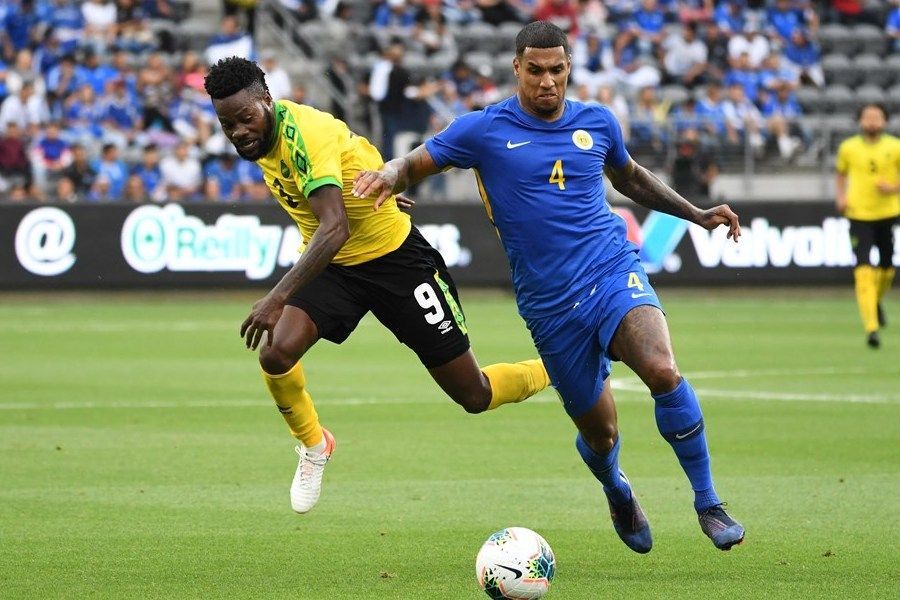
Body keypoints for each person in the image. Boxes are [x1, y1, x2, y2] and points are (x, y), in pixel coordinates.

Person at [353, 21, 745, 553]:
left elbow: (628, 178)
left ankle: (708, 501)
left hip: (609, 268)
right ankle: (616, 487)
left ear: (568, 69)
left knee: (661, 368)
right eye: (535, 70)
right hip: (549, 305)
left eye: (557, 70)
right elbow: (416, 161)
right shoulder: (483, 130)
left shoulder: (598, 122)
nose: (547, 82)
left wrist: (695, 213)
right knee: (600, 432)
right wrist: (387, 176)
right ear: (517, 68)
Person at [204, 57, 549, 514]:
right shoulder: (265, 140)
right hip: (336, 269)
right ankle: (314, 445)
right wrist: (373, 179)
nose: (238, 131)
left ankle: (559, 367)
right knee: (276, 353)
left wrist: (277, 296)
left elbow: (334, 227)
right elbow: (352, 147)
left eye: (246, 118)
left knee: (475, 395)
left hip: (398, 264)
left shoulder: (302, 134)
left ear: (267, 100)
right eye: (227, 124)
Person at [835, 103, 900, 349]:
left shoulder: (895, 147)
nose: (872, 121)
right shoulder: (848, 148)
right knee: (863, 270)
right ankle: (871, 328)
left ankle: (875, 303)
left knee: (886, 270)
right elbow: (840, 174)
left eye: (877, 117)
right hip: (858, 214)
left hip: (887, 213)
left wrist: (893, 188)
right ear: (860, 121)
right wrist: (841, 197)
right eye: (868, 117)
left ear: (884, 121)